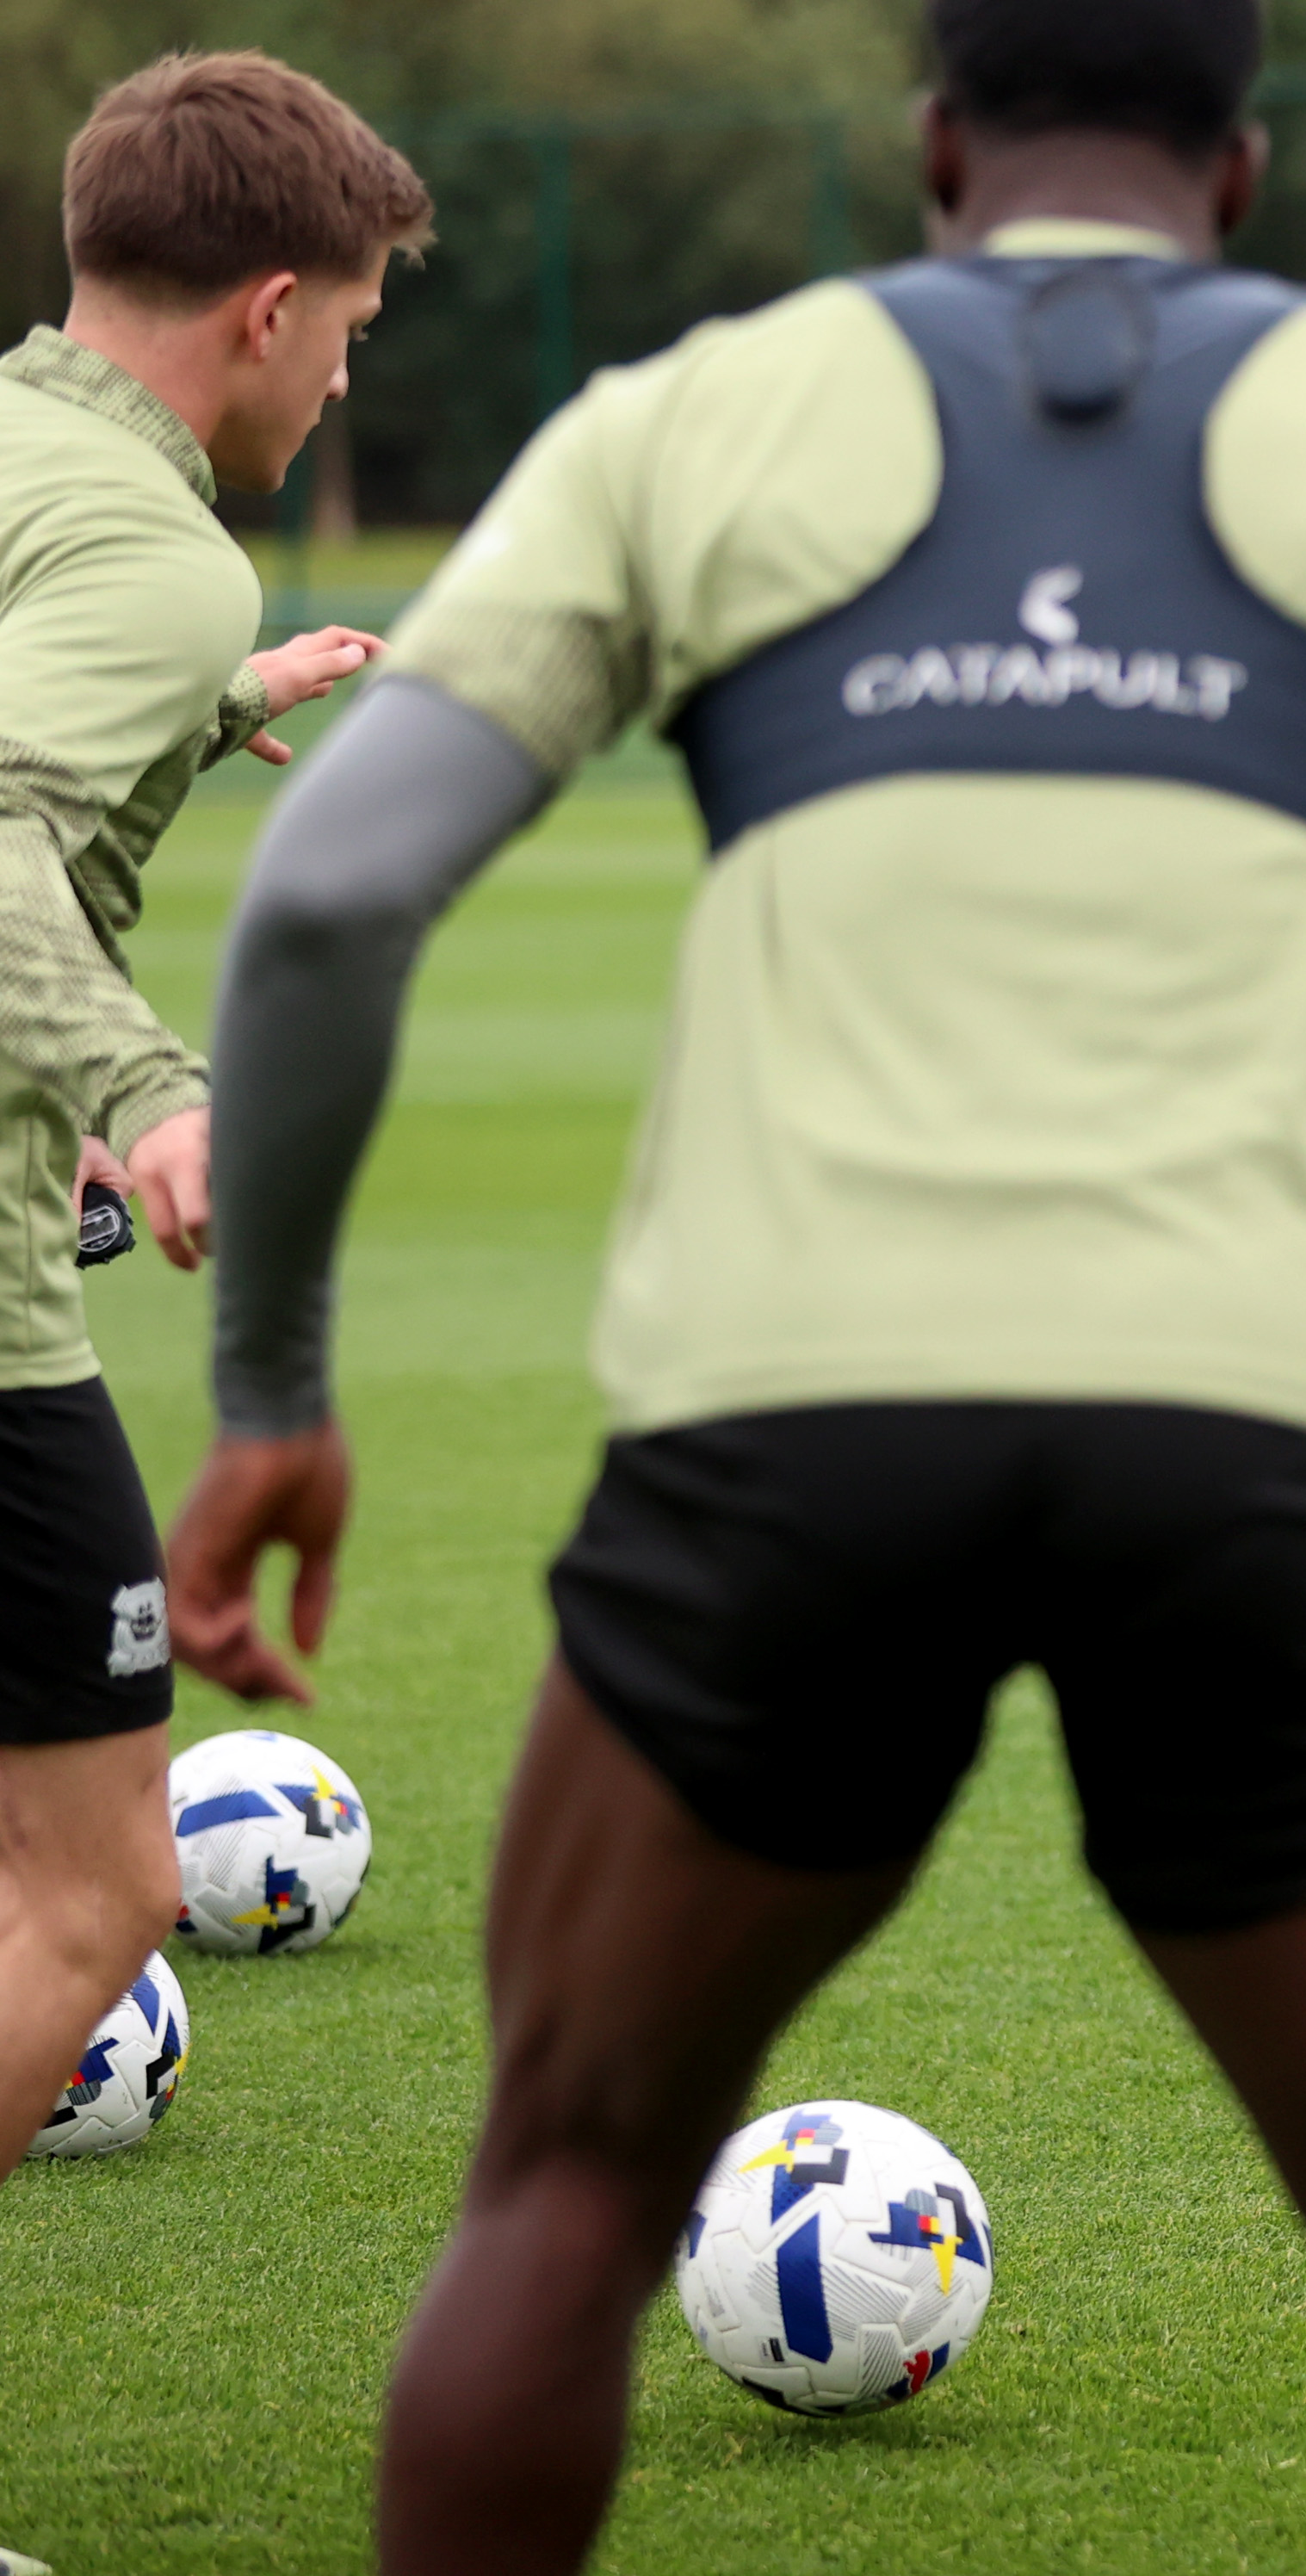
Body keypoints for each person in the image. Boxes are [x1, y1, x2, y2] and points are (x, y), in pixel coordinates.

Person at [162, 4, 1306, 2568]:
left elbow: (332, 899)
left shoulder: (692, 417)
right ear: (1240, 171)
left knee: (561, 2206)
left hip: (777, 1441)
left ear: (933, 145)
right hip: (1264, 1451)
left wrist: (270, 1384)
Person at [0, 47, 412, 2192]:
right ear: (268, 309)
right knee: (95, 1888)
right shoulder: (163, 556)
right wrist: (146, 1086)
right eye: (347, 330)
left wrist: (213, 699)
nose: (343, 379)